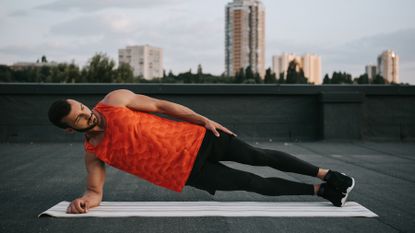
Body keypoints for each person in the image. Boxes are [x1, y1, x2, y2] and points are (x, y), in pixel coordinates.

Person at [48, 89, 355, 214]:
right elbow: (94, 191)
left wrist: (203, 119)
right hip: (188, 171)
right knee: (252, 183)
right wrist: (84, 202)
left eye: (83, 107)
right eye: (79, 117)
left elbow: (161, 106)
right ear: (70, 129)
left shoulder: (115, 100)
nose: (88, 114)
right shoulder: (94, 151)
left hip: (199, 138)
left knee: (259, 156)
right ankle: (322, 191)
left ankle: (330, 174)